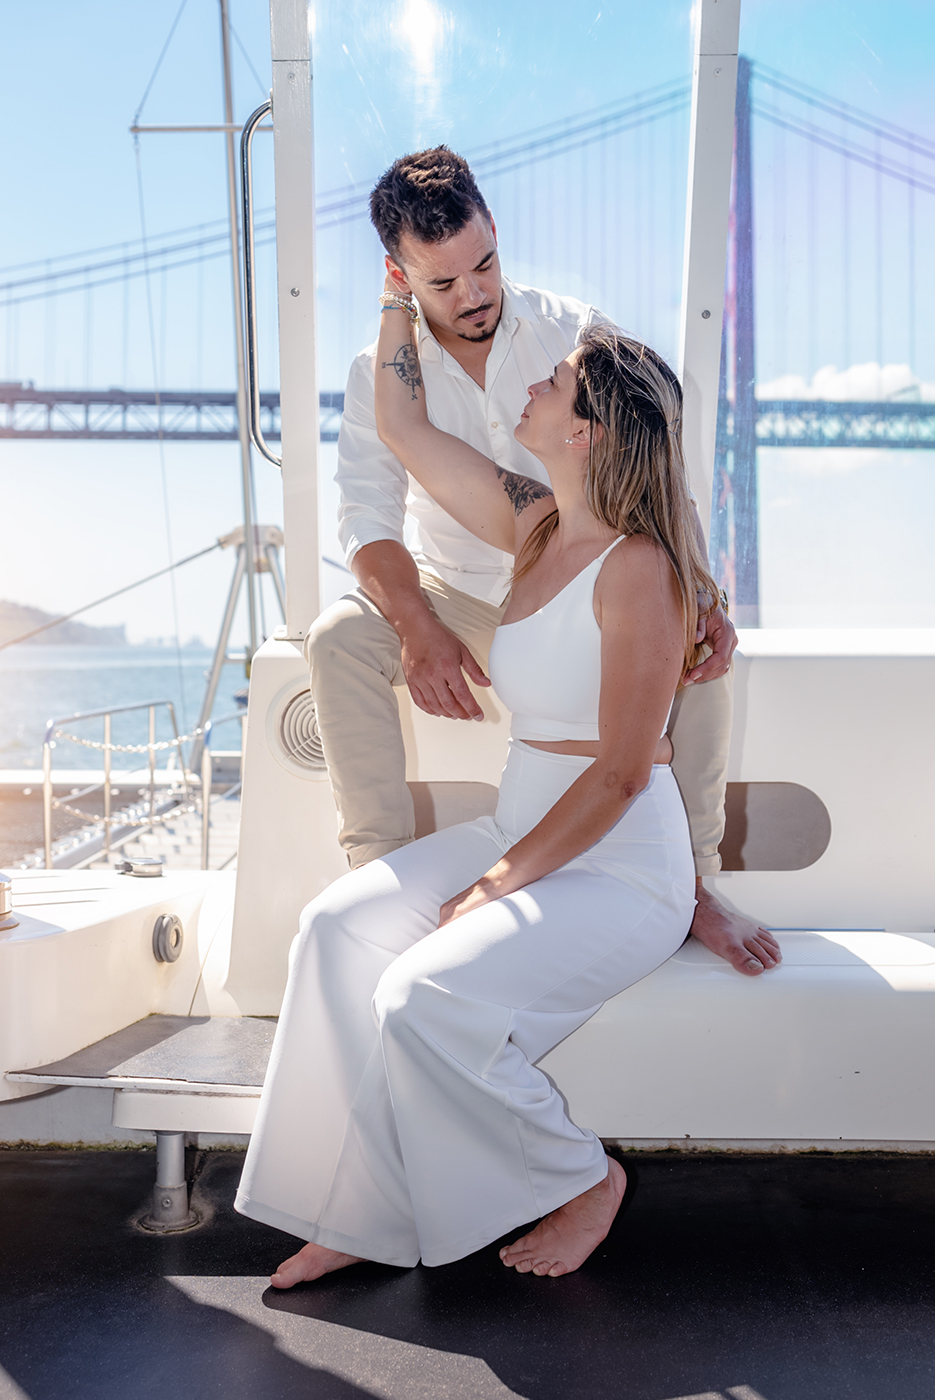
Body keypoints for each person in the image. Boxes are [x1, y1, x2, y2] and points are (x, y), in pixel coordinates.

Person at [236, 302, 722, 1284]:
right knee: (334, 929)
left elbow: (622, 773)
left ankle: (580, 1177)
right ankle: (356, 1207)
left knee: (420, 994)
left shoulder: (638, 570)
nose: (534, 382)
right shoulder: (535, 523)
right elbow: (403, 427)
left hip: (620, 867)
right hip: (523, 823)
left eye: (557, 381)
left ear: (585, 432)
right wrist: (393, 298)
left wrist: (496, 883)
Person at [306, 146, 780, 977]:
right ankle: (380, 878)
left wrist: (699, 596)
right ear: (400, 275)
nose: (474, 294)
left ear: (494, 229)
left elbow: (659, 476)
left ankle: (695, 887)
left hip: (588, 588)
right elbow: (368, 516)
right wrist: (416, 626)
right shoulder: (379, 374)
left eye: (484, 265)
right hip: (456, 592)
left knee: (698, 653)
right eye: (443, 282)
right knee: (337, 640)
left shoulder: (576, 337)